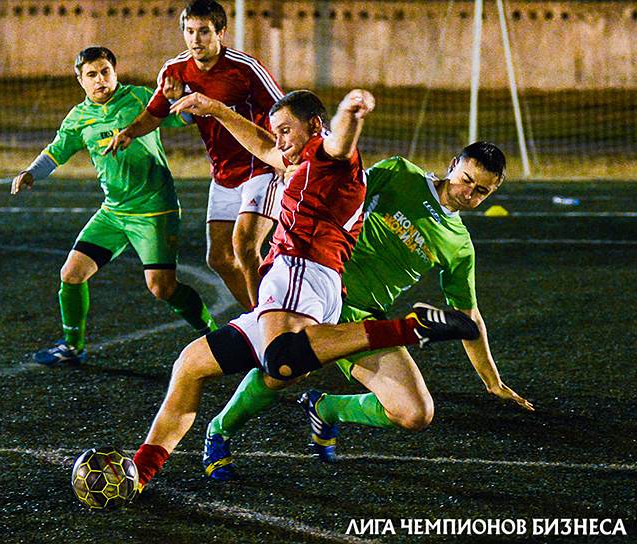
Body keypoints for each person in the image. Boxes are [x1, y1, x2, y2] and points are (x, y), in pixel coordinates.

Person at [129, 88, 484, 491]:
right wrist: (215, 109)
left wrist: (351, 112)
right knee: (190, 365)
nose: (279, 141)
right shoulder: (298, 159)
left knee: (282, 360)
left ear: (314, 126)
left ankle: (410, 328)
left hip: (303, 272)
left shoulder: (329, 158)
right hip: (298, 283)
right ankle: (140, 471)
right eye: (276, 131)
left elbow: (340, 144)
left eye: (286, 130)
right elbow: (265, 147)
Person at [199, 142, 535, 481]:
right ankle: (219, 430)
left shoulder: (460, 245)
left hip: (363, 320)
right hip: (318, 291)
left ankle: (326, 407)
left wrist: (493, 382)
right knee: (283, 369)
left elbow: (468, 317)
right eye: (466, 179)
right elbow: (340, 192)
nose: (469, 193)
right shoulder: (400, 174)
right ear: (452, 165)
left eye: (482, 191)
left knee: (415, 412)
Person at [11, 46, 217, 366]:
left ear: (115, 72)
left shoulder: (138, 98)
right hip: (113, 212)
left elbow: (182, 117)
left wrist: (187, 99)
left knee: (162, 288)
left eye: (105, 71)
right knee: (72, 273)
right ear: (80, 81)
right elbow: (57, 151)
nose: (100, 80)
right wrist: (31, 173)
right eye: (91, 75)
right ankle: (72, 346)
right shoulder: (79, 117)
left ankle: (216, 337)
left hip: (154, 210)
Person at [105, 0, 285, 310]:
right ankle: (260, 314)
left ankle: (268, 330)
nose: (195, 40)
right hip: (223, 175)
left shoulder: (245, 69)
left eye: (203, 32)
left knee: (244, 246)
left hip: (261, 169)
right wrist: (129, 132)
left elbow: (283, 109)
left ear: (221, 33)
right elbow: (155, 113)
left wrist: (287, 156)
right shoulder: (176, 70)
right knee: (218, 258)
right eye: (189, 31)